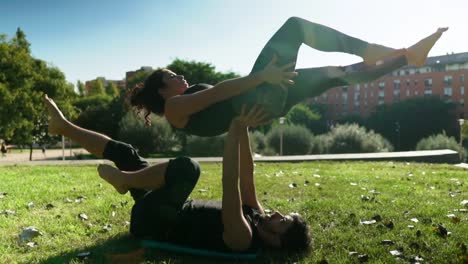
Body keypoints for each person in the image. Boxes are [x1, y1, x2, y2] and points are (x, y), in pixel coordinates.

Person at [44, 95, 311, 253]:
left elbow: (231, 182)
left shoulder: (244, 237)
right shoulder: (257, 215)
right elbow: (247, 173)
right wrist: (244, 126)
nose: (276, 213)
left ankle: (124, 180)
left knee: (188, 169)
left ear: (277, 241)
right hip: (165, 204)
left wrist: (234, 127)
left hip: (154, 224)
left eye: (282, 221)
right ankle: (64, 126)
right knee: (127, 153)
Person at [129, 16, 448, 136]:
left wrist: (245, 124)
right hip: (262, 92)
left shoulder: (182, 112)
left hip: (264, 103)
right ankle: (368, 49)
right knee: (294, 27)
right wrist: (262, 77)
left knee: (334, 74)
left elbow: (223, 117)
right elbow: (216, 95)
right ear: (162, 90)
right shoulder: (174, 108)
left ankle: (406, 57)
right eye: (172, 75)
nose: (180, 75)